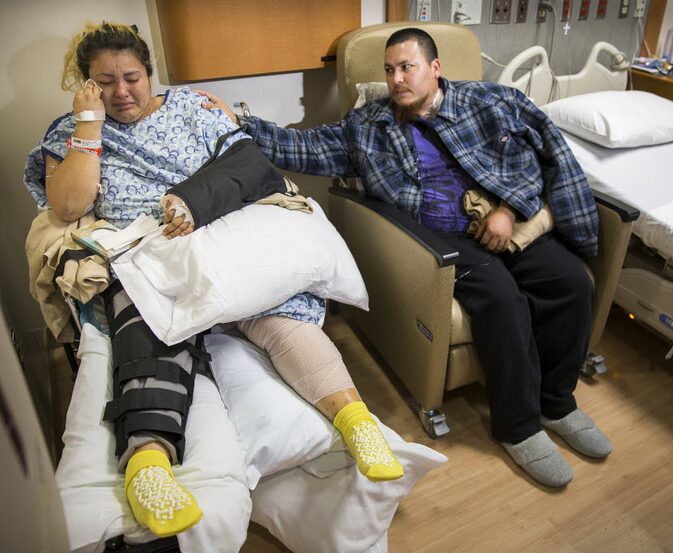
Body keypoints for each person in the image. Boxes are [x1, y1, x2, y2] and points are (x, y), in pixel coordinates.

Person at [24, 22, 402, 539]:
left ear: (149, 73)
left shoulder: (190, 107)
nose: (121, 92)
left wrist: (193, 201)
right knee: (153, 326)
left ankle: (354, 418)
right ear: (86, 84)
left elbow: (249, 164)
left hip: (217, 226)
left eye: (131, 77)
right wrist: (88, 126)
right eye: (104, 82)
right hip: (142, 249)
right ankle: (148, 466)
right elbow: (68, 206)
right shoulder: (72, 129)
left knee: (275, 310)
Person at [201, 27, 612, 488]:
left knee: (572, 283)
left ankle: (557, 403)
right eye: (390, 70)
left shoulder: (492, 102)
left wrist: (509, 208)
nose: (397, 79)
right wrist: (238, 122)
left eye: (407, 67)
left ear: (435, 69)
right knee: (503, 301)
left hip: (502, 224)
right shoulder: (368, 127)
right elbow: (305, 147)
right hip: (441, 242)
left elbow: (539, 156)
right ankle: (519, 428)